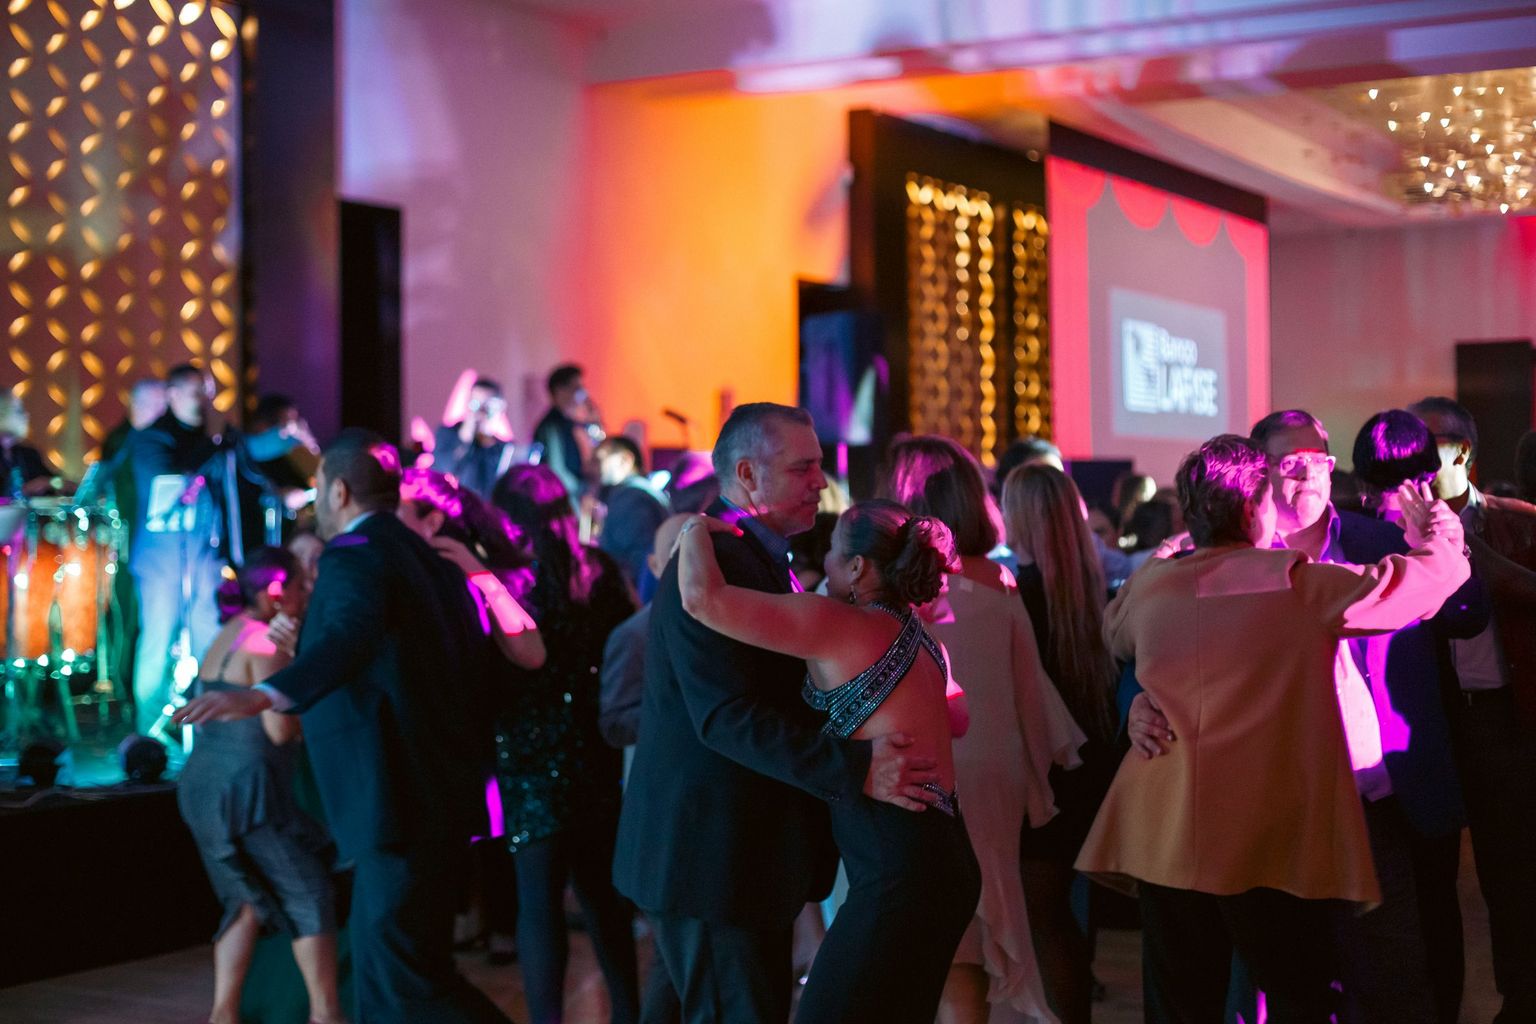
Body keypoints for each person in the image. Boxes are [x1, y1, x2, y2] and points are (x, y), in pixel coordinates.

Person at [1080, 434, 1469, 1024]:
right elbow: (1419, 584)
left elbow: (1115, 629)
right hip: (1264, 837)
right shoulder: (1295, 583)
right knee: (1300, 997)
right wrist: (1439, 533)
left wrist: (1166, 555)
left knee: (1179, 1006)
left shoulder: (1154, 587)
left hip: (1168, 834)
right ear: (1255, 506)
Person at [613, 403, 947, 1024]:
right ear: (747, 474)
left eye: (818, 466)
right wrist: (857, 767)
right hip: (713, 856)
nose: (820, 482)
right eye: (802, 468)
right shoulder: (716, 560)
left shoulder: (750, 557)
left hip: (734, 857)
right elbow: (725, 716)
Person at [174, 428, 512, 1024]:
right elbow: (402, 661)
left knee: (404, 983)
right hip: (440, 795)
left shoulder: (355, 554)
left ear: (339, 491)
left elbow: (350, 638)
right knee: (403, 976)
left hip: (394, 802)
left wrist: (265, 693)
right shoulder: (424, 559)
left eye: (317, 487)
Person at [675, 497, 981, 1023]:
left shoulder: (834, 624)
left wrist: (692, 530)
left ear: (857, 567)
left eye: (834, 551)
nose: (825, 561)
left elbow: (703, 600)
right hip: (949, 861)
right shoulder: (926, 641)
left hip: (897, 872)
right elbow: (958, 719)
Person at [884, 435, 1082, 1024]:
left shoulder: (885, 588)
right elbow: (1029, 689)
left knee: (923, 921)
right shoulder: (999, 581)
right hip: (994, 765)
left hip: (921, 762)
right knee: (977, 918)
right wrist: (1039, 777)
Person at [493, 463, 641, 1024]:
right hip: (593, 747)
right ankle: (629, 1012)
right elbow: (629, 643)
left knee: (538, 904)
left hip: (528, 753)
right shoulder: (598, 570)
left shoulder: (511, 583)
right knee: (604, 898)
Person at [1409, 395, 1536, 1024]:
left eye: (1426, 442)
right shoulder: (1391, 528)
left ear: (1463, 450)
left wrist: (1456, 541)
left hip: (1501, 719)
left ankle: (1522, 999)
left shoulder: (1520, 522)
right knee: (1427, 882)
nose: (1411, 455)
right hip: (1424, 723)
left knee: (1513, 876)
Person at [176, 547, 343, 1024]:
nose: (307, 594)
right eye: (300, 586)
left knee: (244, 902)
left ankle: (223, 1014)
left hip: (203, 786)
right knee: (308, 893)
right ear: (276, 593)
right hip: (245, 793)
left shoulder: (228, 632)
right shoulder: (266, 646)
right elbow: (281, 730)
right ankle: (326, 1014)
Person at [1002, 464, 1124, 1024]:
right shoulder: (1092, 594)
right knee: (1064, 915)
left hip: (1043, 773)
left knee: (1042, 915)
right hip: (1094, 768)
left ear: (1018, 518)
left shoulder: (1015, 598)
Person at [599, 513, 693, 753]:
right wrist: (687, 709)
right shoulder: (634, 635)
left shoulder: (734, 614)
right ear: (654, 565)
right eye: (675, 550)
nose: (691, 558)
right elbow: (614, 724)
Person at [596, 434, 670, 592]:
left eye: (601, 459)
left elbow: (639, 559)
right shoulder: (638, 492)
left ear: (625, 460)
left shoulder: (631, 497)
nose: (594, 466)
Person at [532, 364, 603, 504]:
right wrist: (582, 492)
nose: (583, 394)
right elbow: (557, 470)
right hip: (564, 499)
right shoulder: (550, 427)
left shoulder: (571, 423)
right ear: (560, 391)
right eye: (577, 388)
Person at [434, 378, 515, 499]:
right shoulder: (447, 434)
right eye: (476, 404)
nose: (481, 412)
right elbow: (446, 469)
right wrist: (465, 437)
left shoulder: (506, 450)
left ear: (501, 408)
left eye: (489, 407)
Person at [0, 391, 63, 496]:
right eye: (19, 411)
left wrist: (51, 483)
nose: (26, 415)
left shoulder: (27, 453)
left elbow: (55, 480)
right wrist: (24, 490)